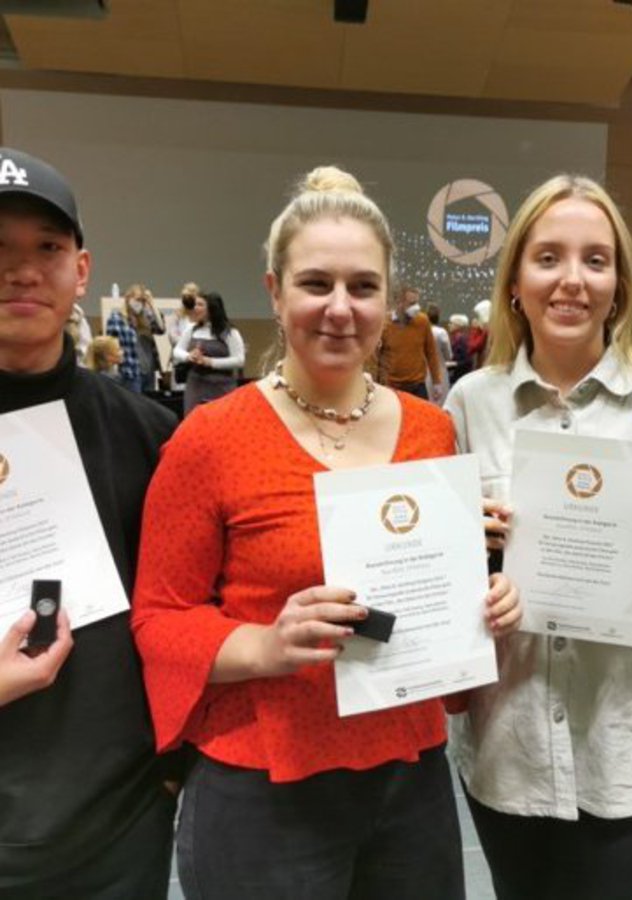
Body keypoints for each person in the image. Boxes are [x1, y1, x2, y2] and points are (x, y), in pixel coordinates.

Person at [131, 165, 521, 900]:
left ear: (388, 300)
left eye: (363, 287)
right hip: (263, 784)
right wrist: (266, 645)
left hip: (408, 774)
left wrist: (484, 602)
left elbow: (439, 592)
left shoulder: (431, 432)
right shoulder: (210, 439)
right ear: (275, 293)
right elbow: (159, 620)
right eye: (316, 284)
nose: (340, 308)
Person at [445, 173, 632, 900]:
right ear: (515, 282)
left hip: (624, 739)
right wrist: (470, 562)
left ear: (619, 284)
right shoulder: (470, 404)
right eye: (548, 258)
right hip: (508, 741)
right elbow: (448, 583)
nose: (572, 279)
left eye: (595, 260)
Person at [0, 147, 177, 898]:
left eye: (47, 247)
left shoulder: (149, 432)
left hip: (119, 825)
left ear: (81, 269)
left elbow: (183, 611)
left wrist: (173, 765)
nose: (22, 271)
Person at [173, 289, 245, 414]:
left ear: (212, 308)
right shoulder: (192, 329)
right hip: (195, 385)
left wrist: (210, 362)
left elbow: (240, 360)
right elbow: (177, 350)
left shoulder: (230, 332)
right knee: (193, 420)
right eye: (195, 304)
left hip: (221, 386)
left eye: (200, 305)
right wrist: (188, 356)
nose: (195, 308)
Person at [378, 285, 443, 400]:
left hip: (417, 386)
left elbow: (431, 353)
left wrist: (436, 382)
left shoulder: (423, 321)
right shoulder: (385, 324)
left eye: (417, 302)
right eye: (412, 303)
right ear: (399, 303)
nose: (417, 307)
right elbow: (377, 356)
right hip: (392, 386)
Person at [105, 282, 165, 392]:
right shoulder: (117, 318)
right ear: (128, 299)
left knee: (148, 403)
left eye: (143, 301)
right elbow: (110, 347)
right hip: (130, 373)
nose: (140, 303)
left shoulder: (146, 318)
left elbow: (161, 329)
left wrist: (151, 303)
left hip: (149, 373)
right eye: (138, 299)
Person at [167, 280, 200, 391]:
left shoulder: (201, 317)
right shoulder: (177, 315)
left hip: (196, 363)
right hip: (180, 363)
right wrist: (187, 343)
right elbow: (172, 336)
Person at [426, 301, 453, 403]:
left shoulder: (422, 331)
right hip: (440, 370)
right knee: (440, 401)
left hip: (423, 372)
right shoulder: (441, 332)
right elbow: (448, 356)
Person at [447, 313, 472, 385]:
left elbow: (467, 361)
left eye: (451, 323)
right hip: (457, 375)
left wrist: (453, 364)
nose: (449, 325)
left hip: (462, 377)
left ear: (458, 326)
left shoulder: (462, 340)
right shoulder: (456, 339)